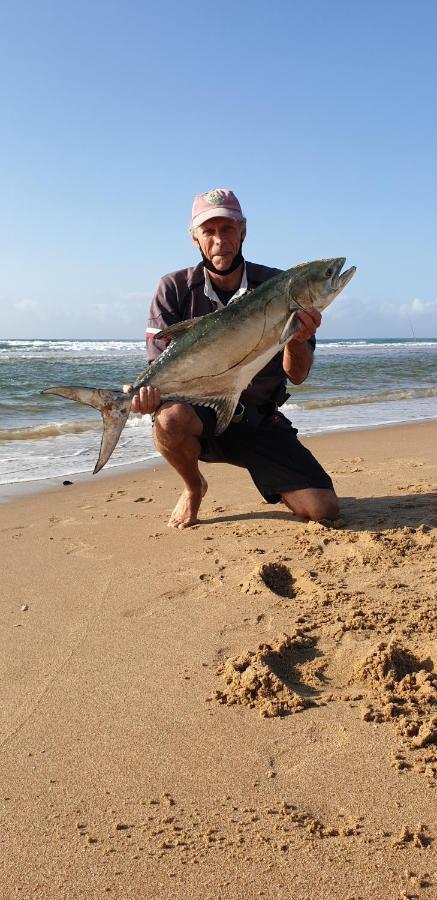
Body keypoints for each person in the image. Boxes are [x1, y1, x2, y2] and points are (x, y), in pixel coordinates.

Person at [124, 188, 338, 529]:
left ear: (243, 231)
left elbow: (296, 375)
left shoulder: (279, 286)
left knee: (322, 509)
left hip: (258, 419)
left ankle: (274, 478)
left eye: (227, 229)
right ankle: (194, 487)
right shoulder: (174, 289)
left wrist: (297, 339)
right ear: (195, 239)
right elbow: (159, 366)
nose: (219, 240)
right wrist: (144, 394)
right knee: (168, 419)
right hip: (200, 418)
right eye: (209, 231)